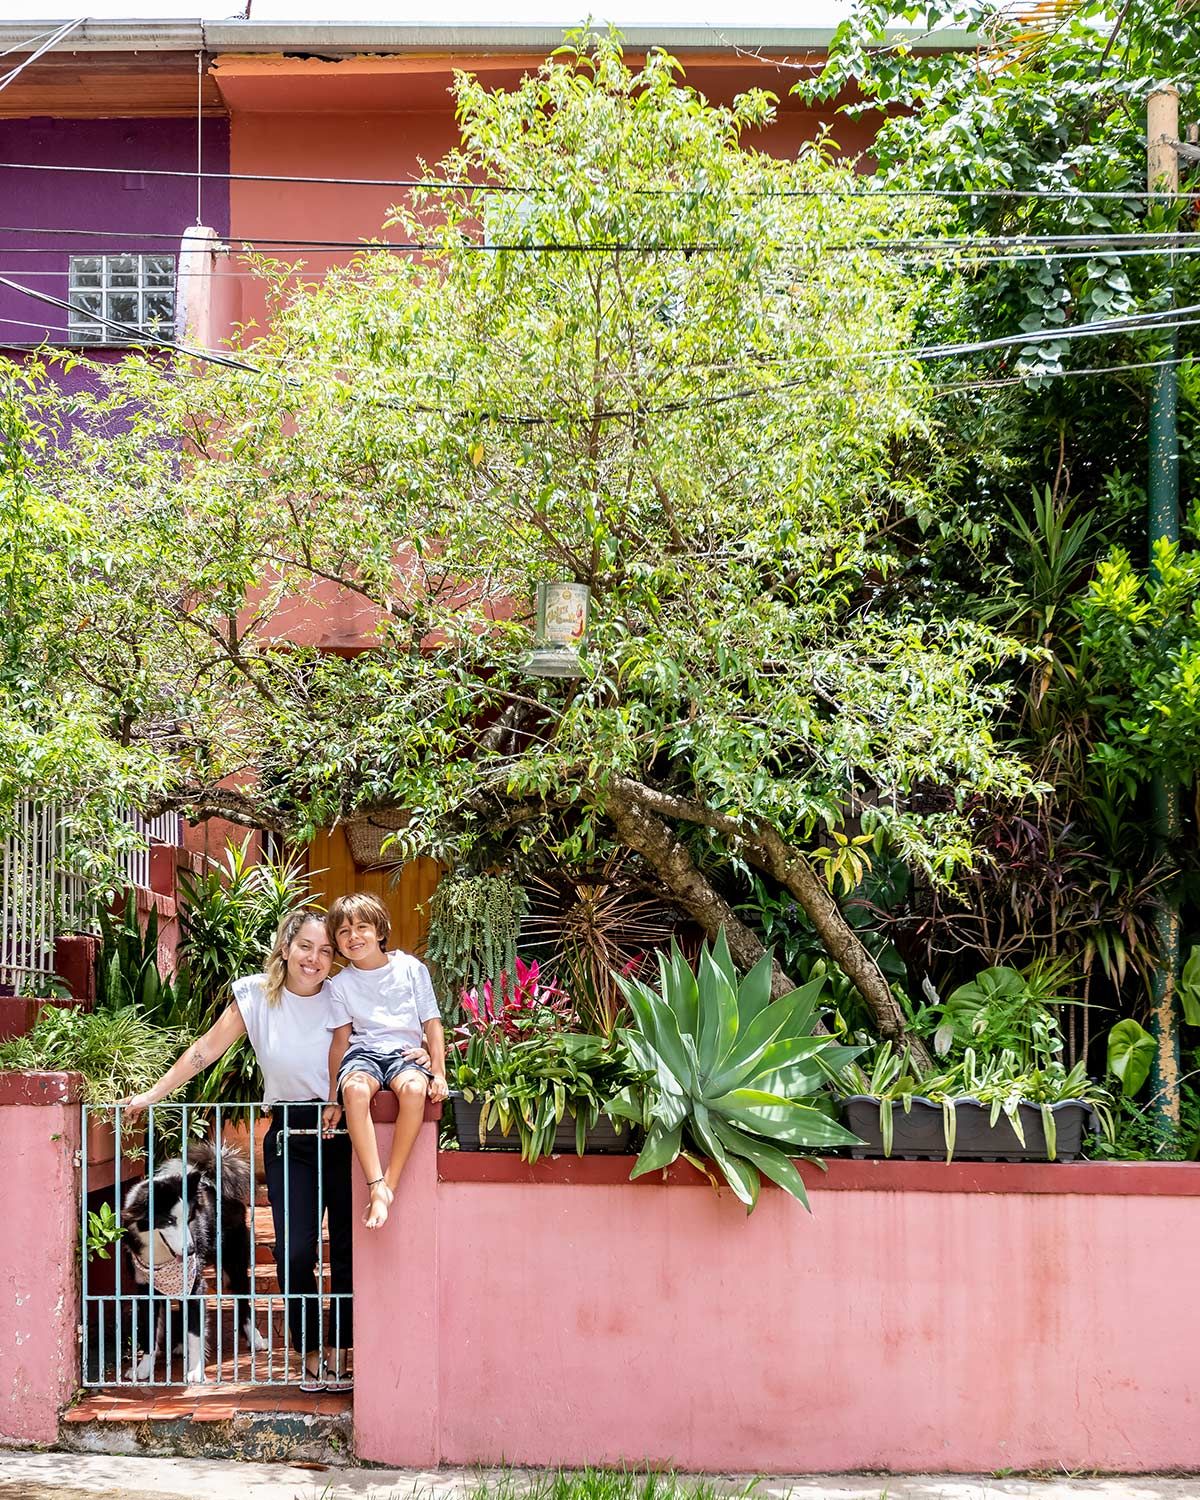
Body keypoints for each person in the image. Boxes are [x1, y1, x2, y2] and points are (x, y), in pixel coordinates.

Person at [123, 907, 383, 1390]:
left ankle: (340, 1350)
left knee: (347, 1249)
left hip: (345, 1128)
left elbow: (385, 1035)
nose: (315, 958)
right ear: (285, 948)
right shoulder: (257, 997)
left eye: (326, 950)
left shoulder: (341, 995)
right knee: (294, 1248)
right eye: (306, 946)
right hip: (289, 1133)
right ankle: (308, 1351)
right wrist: (152, 1094)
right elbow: (205, 1049)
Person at [325, 893, 449, 1231]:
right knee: (354, 1091)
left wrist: (438, 1072)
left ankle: (387, 1187)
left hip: (404, 1052)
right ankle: (374, 1181)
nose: (353, 937)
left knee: (412, 1089)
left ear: (380, 931)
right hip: (363, 1053)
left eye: (361, 927)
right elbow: (340, 1042)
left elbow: (431, 1022)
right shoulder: (340, 985)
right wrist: (332, 1097)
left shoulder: (410, 968)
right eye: (343, 932)